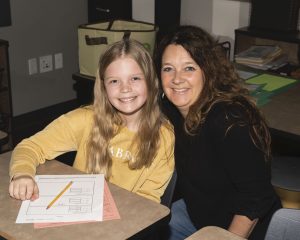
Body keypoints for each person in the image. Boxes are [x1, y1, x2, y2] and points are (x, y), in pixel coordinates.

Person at [9, 38, 174, 204]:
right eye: (114, 81)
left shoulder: (164, 136)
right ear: (103, 87)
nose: (125, 88)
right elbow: (30, 146)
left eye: (135, 78)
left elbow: (148, 201)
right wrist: (23, 174)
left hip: (125, 223)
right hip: (77, 210)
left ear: (151, 81)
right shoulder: (86, 119)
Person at [154, 25, 282, 239]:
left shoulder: (230, 121)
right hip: (200, 216)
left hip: (244, 230)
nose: (176, 79)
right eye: (168, 68)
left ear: (208, 71)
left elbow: (255, 199)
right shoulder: (172, 111)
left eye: (189, 68)